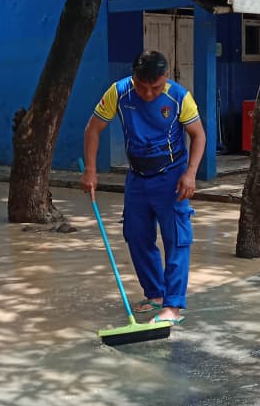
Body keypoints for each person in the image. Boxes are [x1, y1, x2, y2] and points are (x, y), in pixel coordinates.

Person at [80, 50, 205, 325]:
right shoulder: (119, 92)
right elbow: (93, 129)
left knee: (177, 239)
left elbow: (198, 135)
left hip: (171, 178)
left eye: (155, 87)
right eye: (142, 87)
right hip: (137, 177)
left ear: (166, 78)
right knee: (136, 235)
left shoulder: (179, 97)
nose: (148, 94)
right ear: (133, 77)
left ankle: (173, 306)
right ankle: (156, 294)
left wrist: (190, 174)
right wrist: (90, 170)